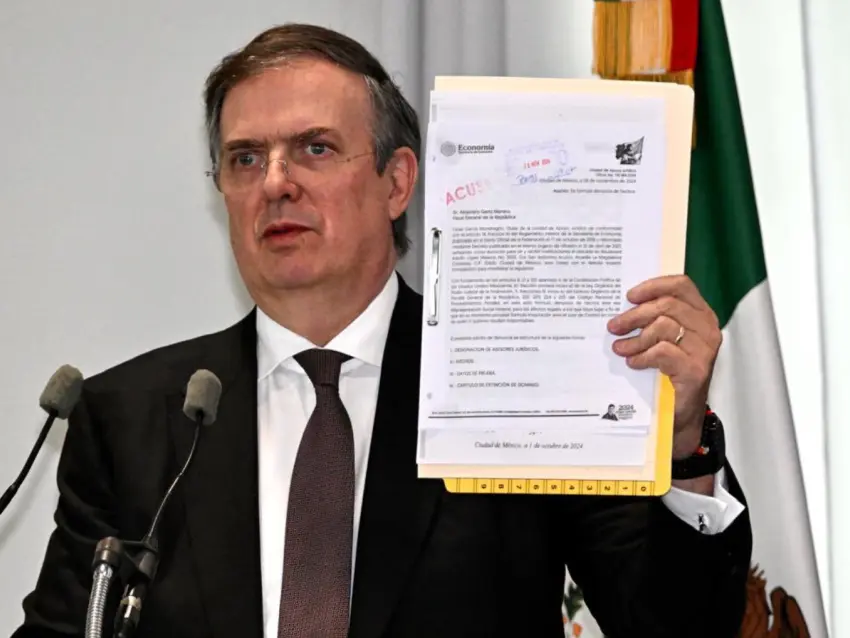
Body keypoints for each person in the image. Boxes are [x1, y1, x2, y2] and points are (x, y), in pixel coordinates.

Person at [13, 23, 752, 638]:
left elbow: (672, 626)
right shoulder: (133, 419)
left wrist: (685, 447)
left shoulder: (521, 382)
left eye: (315, 148)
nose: (275, 182)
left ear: (397, 182)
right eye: (245, 158)